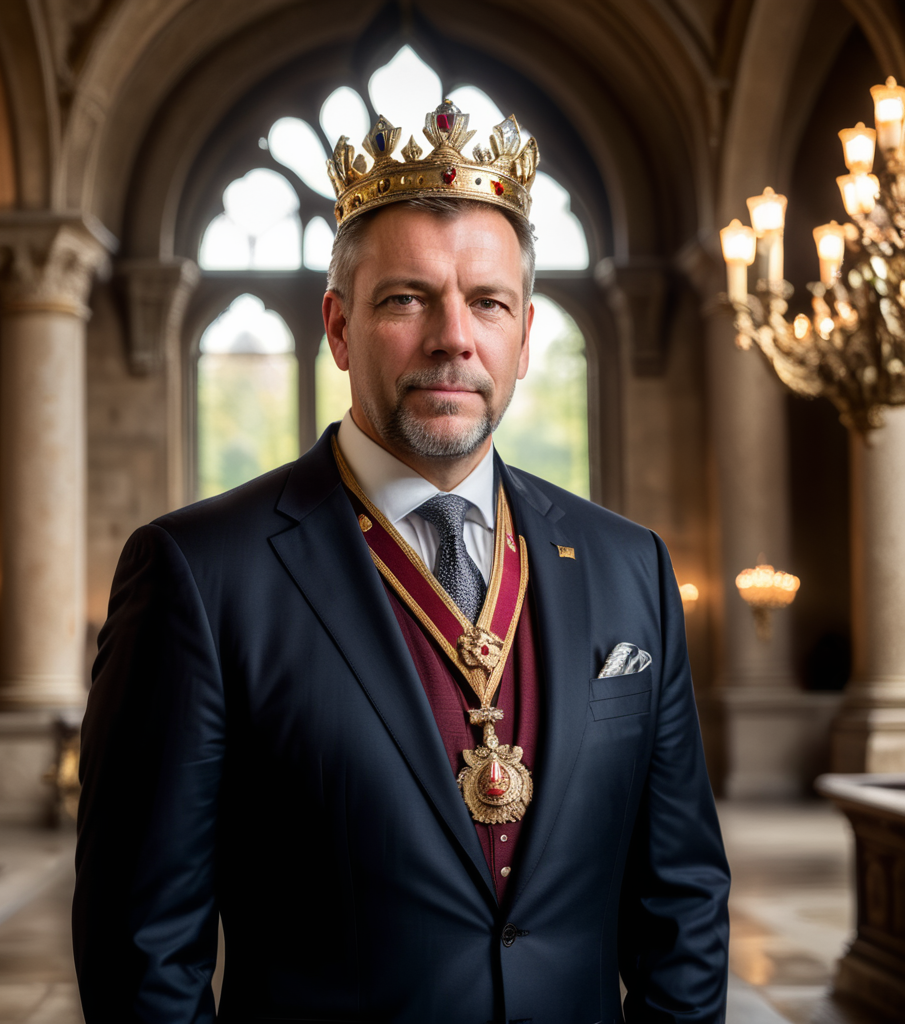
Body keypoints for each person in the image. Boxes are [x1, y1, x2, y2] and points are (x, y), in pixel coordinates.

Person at [73, 99, 730, 1024]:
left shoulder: (633, 566)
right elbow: (142, 952)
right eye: (408, 299)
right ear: (339, 328)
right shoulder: (196, 575)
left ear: (525, 336)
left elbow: (685, 901)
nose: (453, 337)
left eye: (488, 303)